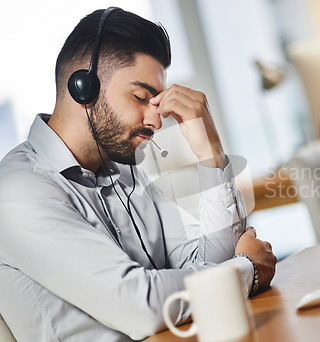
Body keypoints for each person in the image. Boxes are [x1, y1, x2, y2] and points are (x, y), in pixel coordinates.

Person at [0, 8, 276, 341]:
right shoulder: (18, 191)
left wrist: (210, 155)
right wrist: (247, 269)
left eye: (157, 102)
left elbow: (207, 258)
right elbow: (139, 305)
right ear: (82, 87)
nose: (157, 121)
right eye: (140, 97)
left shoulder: (126, 174)